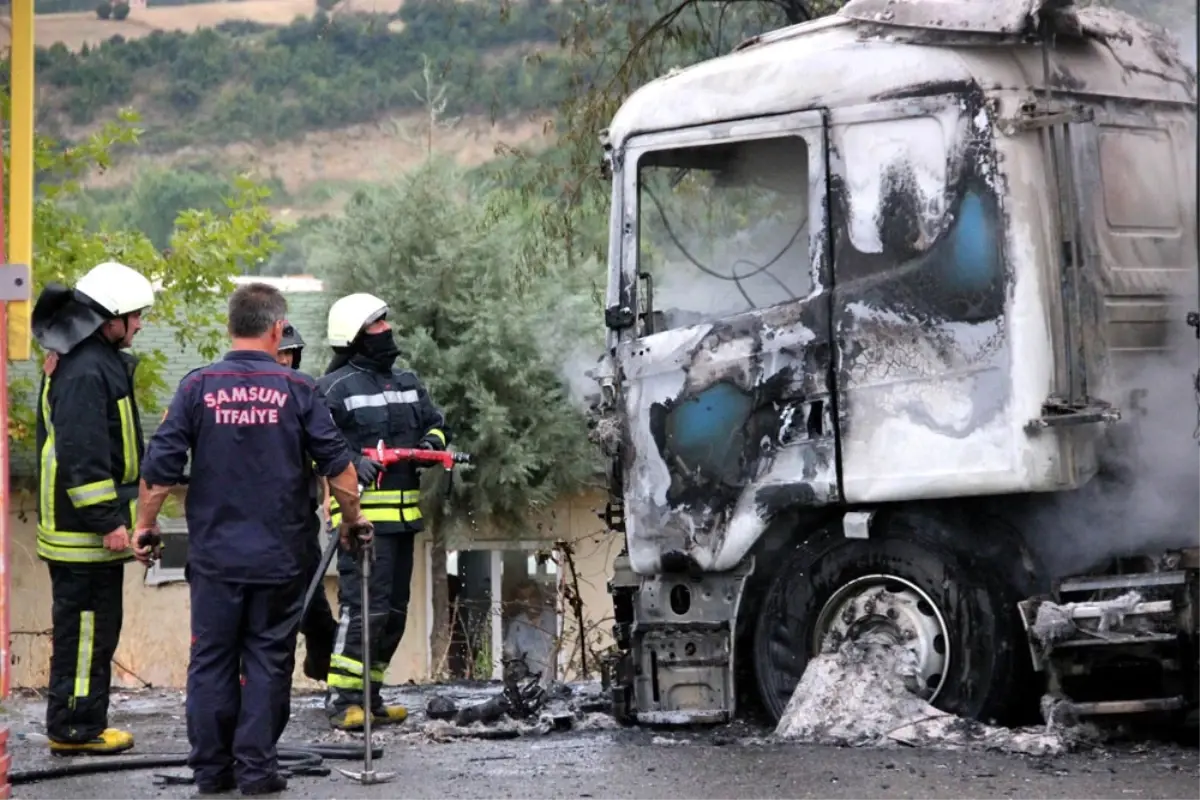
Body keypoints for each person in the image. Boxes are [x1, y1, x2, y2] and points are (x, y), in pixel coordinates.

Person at [133, 283, 373, 796]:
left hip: (216, 560)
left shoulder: (198, 386)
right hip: (281, 558)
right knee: (268, 658)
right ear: (277, 330)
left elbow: (159, 472)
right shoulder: (298, 389)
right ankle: (258, 772)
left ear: (230, 329)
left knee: (212, 659)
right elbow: (342, 472)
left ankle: (212, 772)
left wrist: (145, 527)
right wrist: (350, 522)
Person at [31, 261, 155, 756]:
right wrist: (108, 521)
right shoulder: (87, 369)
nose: (141, 325)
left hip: (82, 532)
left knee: (90, 631)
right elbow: (83, 455)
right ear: (110, 319)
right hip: (82, 534)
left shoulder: (86, 359)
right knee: (85, 634)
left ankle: (81, 720)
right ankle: (75, 729)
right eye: (136, 316)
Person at [320, 292, 450, 731]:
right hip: (363, 521)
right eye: (377, 326)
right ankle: (342, 698)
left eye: (385, 323)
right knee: (364, 609)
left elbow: (436, 422)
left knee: (394, 611)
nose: (386, 331)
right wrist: (354, 461)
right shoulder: (335, 389)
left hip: (403, 519)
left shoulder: (408, 381)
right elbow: (320, 446)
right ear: (356, 336)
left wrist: (432, 443)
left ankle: (371, 697)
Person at [276, 322, 338, 681]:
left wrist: (332, 497)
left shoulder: (304, 394)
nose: (284, 361)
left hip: (299, 523)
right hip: (258, 526)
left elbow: (327, 453)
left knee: (312, 603)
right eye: (280, 352)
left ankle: (322, 662)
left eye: (290, 354)